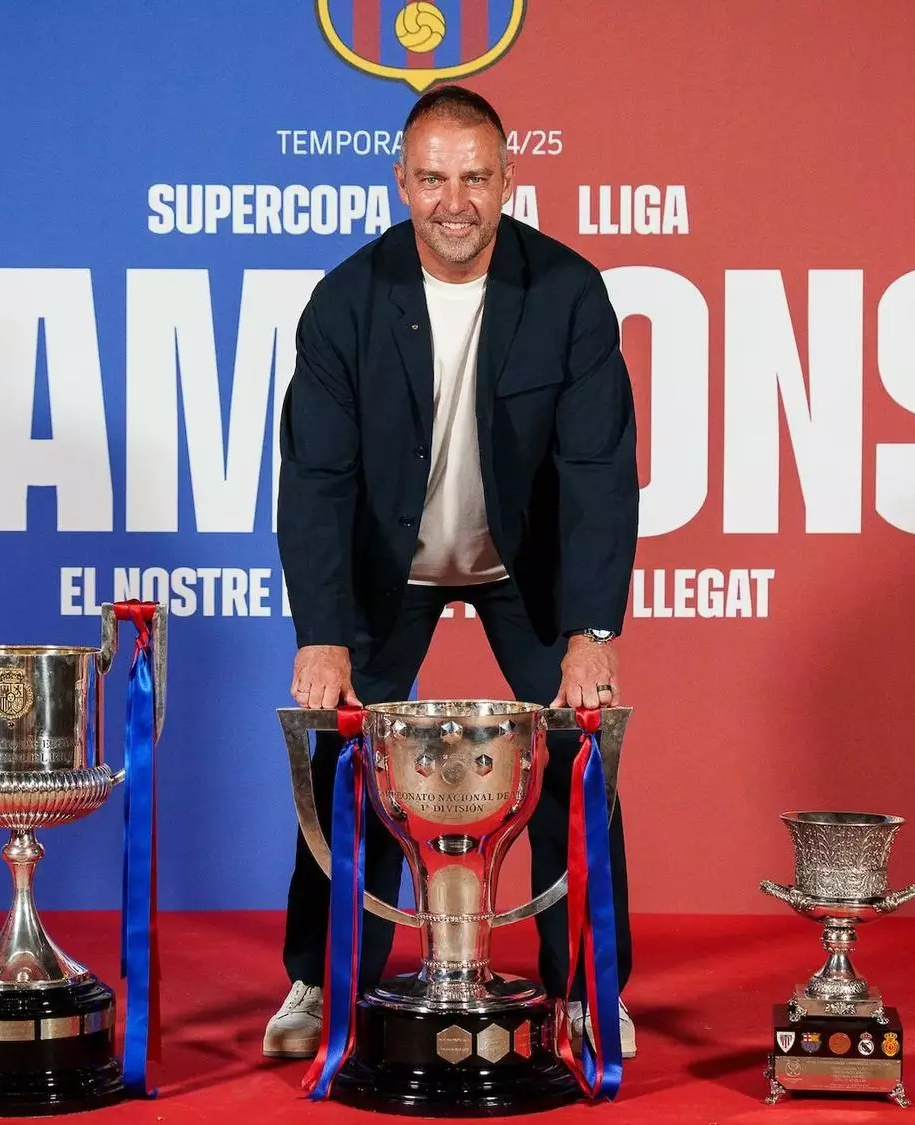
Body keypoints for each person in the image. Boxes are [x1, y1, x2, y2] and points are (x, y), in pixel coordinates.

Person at [264, 84, 639, 1060]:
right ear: (401, 182)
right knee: (347, 760)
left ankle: (591, 989)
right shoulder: (344, 304)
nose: (454, 200)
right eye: (432, 178)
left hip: (529, 561)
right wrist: (322, 635)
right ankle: (318, 981)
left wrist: (589, 634)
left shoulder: (566, 294)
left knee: (576, 753)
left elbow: (598, 470)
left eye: (475, 176)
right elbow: (313, 480)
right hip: (389, 564)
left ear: (508, 179)